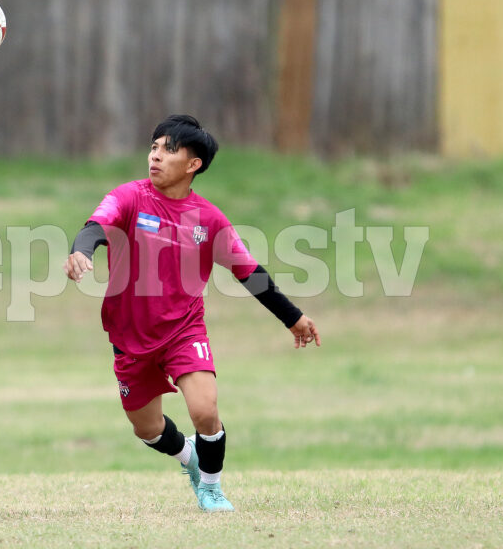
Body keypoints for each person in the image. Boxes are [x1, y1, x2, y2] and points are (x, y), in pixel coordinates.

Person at [63, 114, 320, 512]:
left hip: (184, 331)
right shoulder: (130, 196)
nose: (155, 156)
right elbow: (96, 224)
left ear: (193, 163)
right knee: (146, 429)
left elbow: (249, 273)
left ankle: (213, 489)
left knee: (205, 410)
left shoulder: (209, 220)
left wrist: (293, 317)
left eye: (168, 149)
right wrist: (82, 250)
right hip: (129, 336)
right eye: (153, 147)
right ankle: (191, 461)